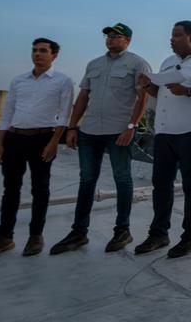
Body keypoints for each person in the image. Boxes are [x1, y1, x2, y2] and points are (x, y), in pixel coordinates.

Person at [50, 23, 151, 255]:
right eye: (108, 36)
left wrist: (131, 126)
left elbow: (143, 98)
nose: (110, 39)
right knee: (87, 180)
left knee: (122, 178)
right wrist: (72, 127)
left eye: (116, 36)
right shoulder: (94, 64)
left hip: (118, 131)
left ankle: (122, 230)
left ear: (128, 40)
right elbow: (83, 96)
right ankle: (79, 232)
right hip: (90, 130)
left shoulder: (138, 63)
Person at [134, 20, 191, 258]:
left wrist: (187, 90)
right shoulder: (168, 62)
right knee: (161, 184)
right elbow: (160, 92)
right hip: (165, 131)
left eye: (177, 35)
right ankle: (159, 233)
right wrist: (148, 85)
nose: (172, 40)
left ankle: (190, 237)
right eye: (171, 35)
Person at [0, 38, 74, 259]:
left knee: (40, 189)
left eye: (43, 51)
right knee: (10, 189)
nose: (37, 54)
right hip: (14, 138)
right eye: (34, 50)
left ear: (54, 55)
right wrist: (0, 142)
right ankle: (4, 237)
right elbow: (8, 112)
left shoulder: (62, 81)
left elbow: (64, 116)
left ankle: (35, 236)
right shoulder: (19, 81)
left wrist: (53, 143)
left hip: (43, 138)